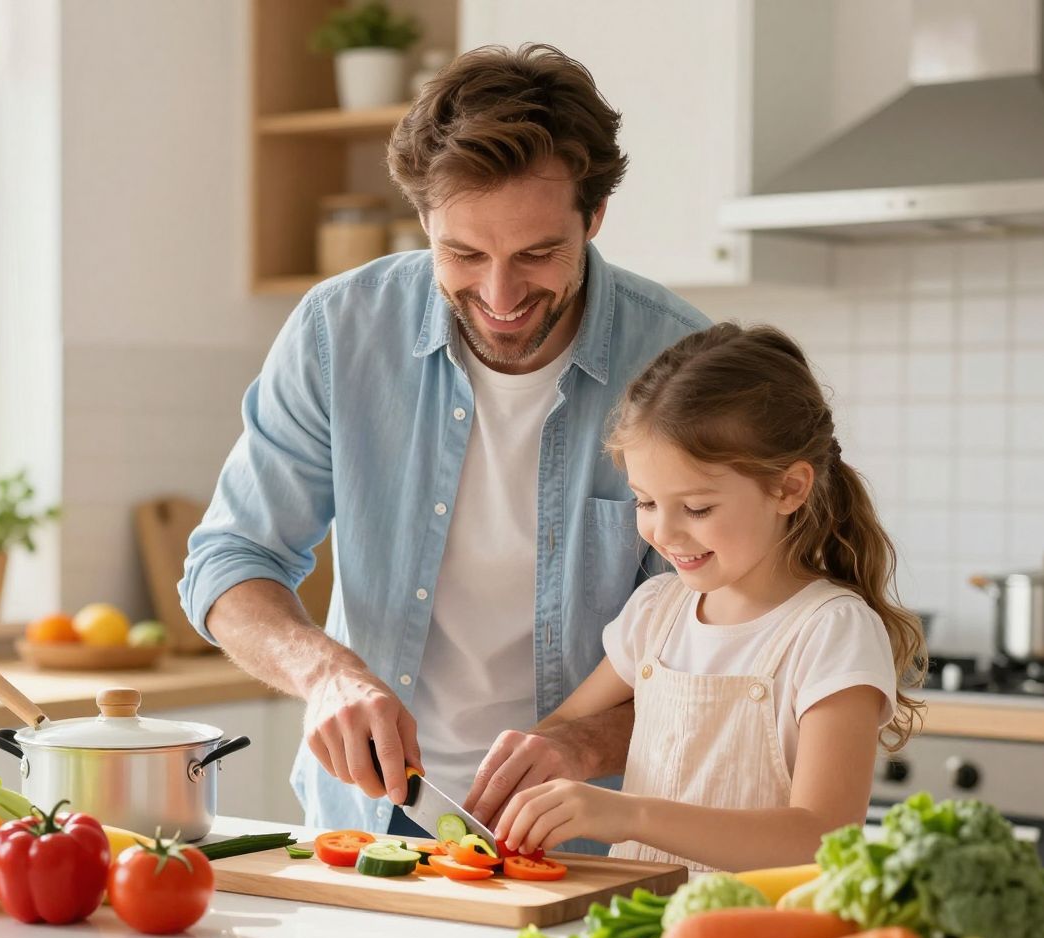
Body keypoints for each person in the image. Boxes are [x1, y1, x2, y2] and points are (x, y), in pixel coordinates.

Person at [179, 43, 710, 840]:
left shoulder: (680, 365)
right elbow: (229, 561)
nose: (500, 296)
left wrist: (584, 739)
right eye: (462, 253)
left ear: (593, 217)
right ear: (424, 218)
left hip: (591, 833)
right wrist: (323, 673)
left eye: (537, 253)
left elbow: (730, 645)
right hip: (365, 824)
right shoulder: (340, 332)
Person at [486, 322, 926, 870]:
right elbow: (558, 731)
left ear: (789, 488)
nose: (664, 533)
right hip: (635, 928)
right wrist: (526, 765)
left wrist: (629, 815)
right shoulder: (657, 611)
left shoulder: (831, 632)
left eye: (697, 509)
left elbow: (821, 840)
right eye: (646, 502)